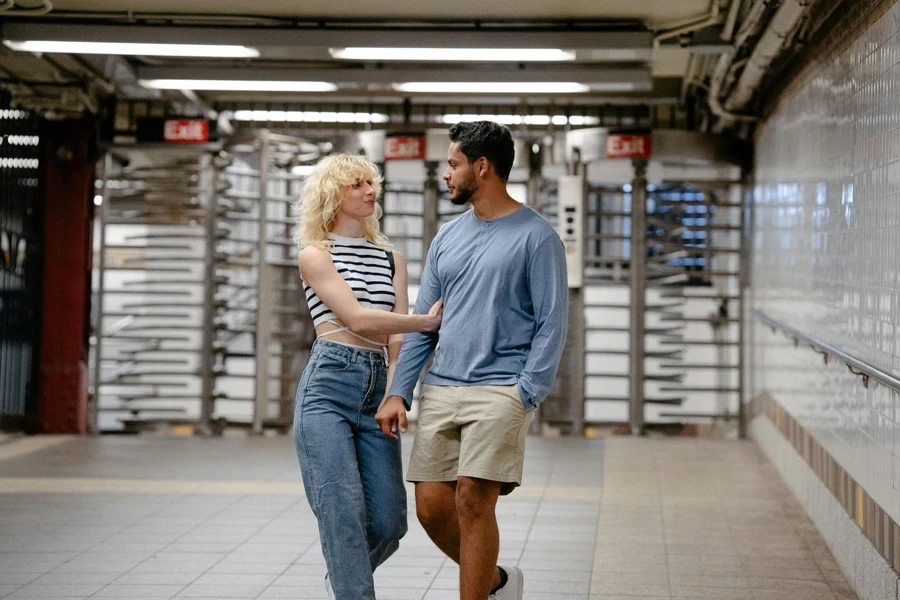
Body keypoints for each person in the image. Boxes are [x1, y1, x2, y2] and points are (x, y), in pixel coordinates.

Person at [375, 121, 568, 600]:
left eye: (454, 163)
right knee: (431, 507)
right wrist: (399, 389)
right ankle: (496, 582)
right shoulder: (447, 238)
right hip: (442, 387)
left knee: (472, 500)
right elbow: (426, 320)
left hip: (502, 388)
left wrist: (526, 391)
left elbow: (551, 322)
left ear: (482, 167)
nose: (447, 173)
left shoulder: (537, 237)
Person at [292, 153, 443, 600]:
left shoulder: (391, 257)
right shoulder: (315, 255)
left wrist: (397, 391)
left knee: (389, 521)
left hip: (378, 385)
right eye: (356, 184)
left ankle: (344, 577)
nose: (369, 190)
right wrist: (423, 322)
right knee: (340, 509)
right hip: (329, 384)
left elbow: (393, 336)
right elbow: (358, 319)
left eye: (371, 182)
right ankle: (352, 589)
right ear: (331, 194)